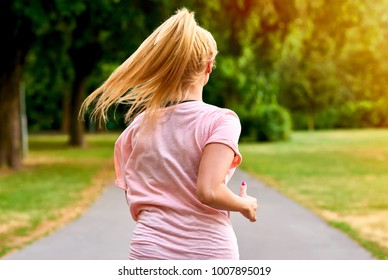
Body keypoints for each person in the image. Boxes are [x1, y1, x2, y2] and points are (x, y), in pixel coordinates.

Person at [81, 8, 257, 260]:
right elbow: (209, 190)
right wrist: (245, 205)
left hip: (148, 250)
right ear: (208, 67)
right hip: (207, 251)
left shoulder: (139, 125)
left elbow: (136, 192)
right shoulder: (221, 121)